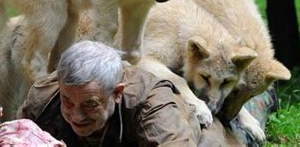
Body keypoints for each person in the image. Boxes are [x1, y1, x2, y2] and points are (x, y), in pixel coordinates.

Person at [17, 40, 276, 146]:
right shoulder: (44, 100)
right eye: (67, 101)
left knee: (237, 129)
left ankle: (267, 95)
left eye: (89, 105)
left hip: (196, 131)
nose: (76, 114)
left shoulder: (152, 106)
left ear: (117, 93)